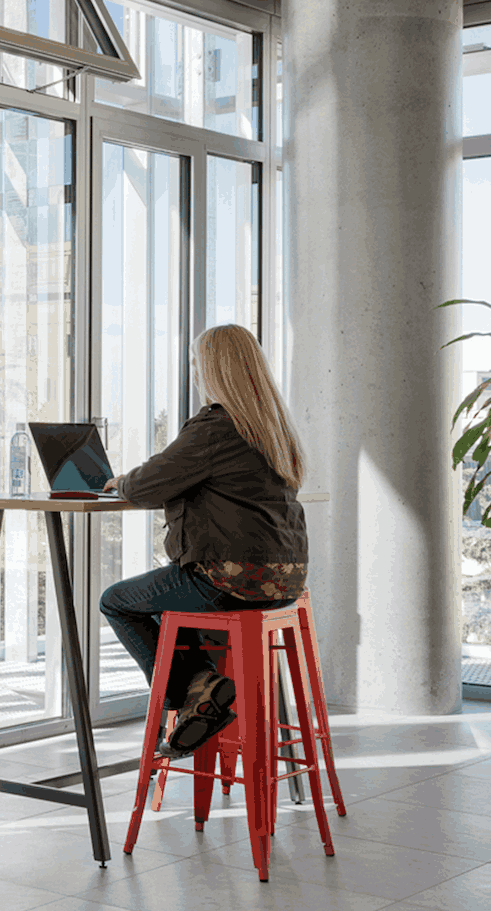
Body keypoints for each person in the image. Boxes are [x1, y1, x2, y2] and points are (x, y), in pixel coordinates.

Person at [98, 324, 309, 758]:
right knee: (181, 608)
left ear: (215, 371)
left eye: (197, 365)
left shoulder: (215, 427)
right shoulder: (271, 428)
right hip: (284, 584)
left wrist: (119, 482)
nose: (194, 374)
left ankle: (198, 696)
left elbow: (146, 485)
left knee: (116, 601)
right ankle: (204, 690)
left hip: (231, 580)